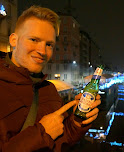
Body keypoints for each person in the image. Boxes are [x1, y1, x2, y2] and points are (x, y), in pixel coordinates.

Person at [0, 6, 101, 152]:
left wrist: (78, 122)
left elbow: (62, 139)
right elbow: (47, 133)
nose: (42, 51)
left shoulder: (49, 89)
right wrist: (42, 133)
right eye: (34, 39)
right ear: (14, 40)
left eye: (49, 44)